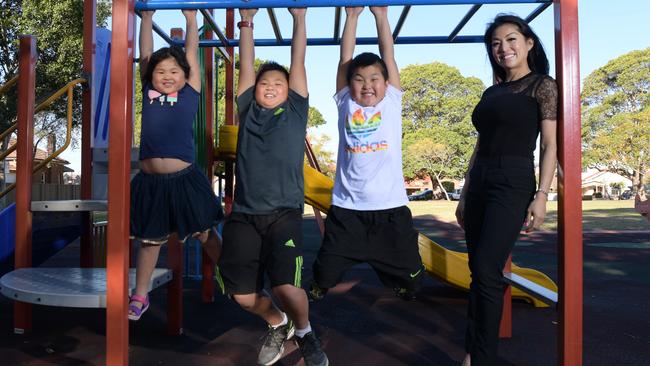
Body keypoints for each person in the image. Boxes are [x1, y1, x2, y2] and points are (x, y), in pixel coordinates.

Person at [215, 8, 328, 366]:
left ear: (289, 91)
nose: (270, 87)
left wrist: (298, 18)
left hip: (284, 214)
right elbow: (246, 66)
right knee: (242, 295)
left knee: (285, 285)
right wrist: (246, 22)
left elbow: (298, 59)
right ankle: (278, 323)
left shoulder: (296, 111)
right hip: (246, 215)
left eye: (278, 84)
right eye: (265, 83)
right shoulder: (247, 109)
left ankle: (306, 333)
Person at [454, 14, 558, 366]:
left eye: (511, 39)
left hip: (513, 180)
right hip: (481, 179)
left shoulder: (542, 85)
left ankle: (479, 359)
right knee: (477, 271)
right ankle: (474, 350)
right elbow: (480, 144)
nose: (503, 48)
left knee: (486, 269)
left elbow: (549, 146)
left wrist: (542, 195)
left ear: (529, 43)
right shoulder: (491, 91)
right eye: (496, 43)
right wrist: (465, 193)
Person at [309, 6, 423, 302]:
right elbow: (345, 59)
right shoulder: (347, 102)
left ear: (386, 83)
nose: (367, 85)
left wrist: (381, 16)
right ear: (350, 84)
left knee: (412, 275)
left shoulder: (392, 102)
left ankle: (400, 283)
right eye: (359, 79)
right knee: (325, 272)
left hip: (390, 207)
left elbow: (389, 55)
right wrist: (352, 17)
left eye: (375, 78)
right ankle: (321, 284)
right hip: (348, 208)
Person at [128, 9, 223, 321]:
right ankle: (140, 294)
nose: (167, 76)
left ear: (185, 76)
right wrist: (146, 18)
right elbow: (145, 54)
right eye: (160, 72)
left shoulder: (189, 94)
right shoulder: (148, 92)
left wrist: (192, 19)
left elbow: (192, 55)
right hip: (150, 181)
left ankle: (232, 275)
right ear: (151, 76)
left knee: (204, 232)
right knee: (149, 240)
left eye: (174, 71)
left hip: (183, 179)